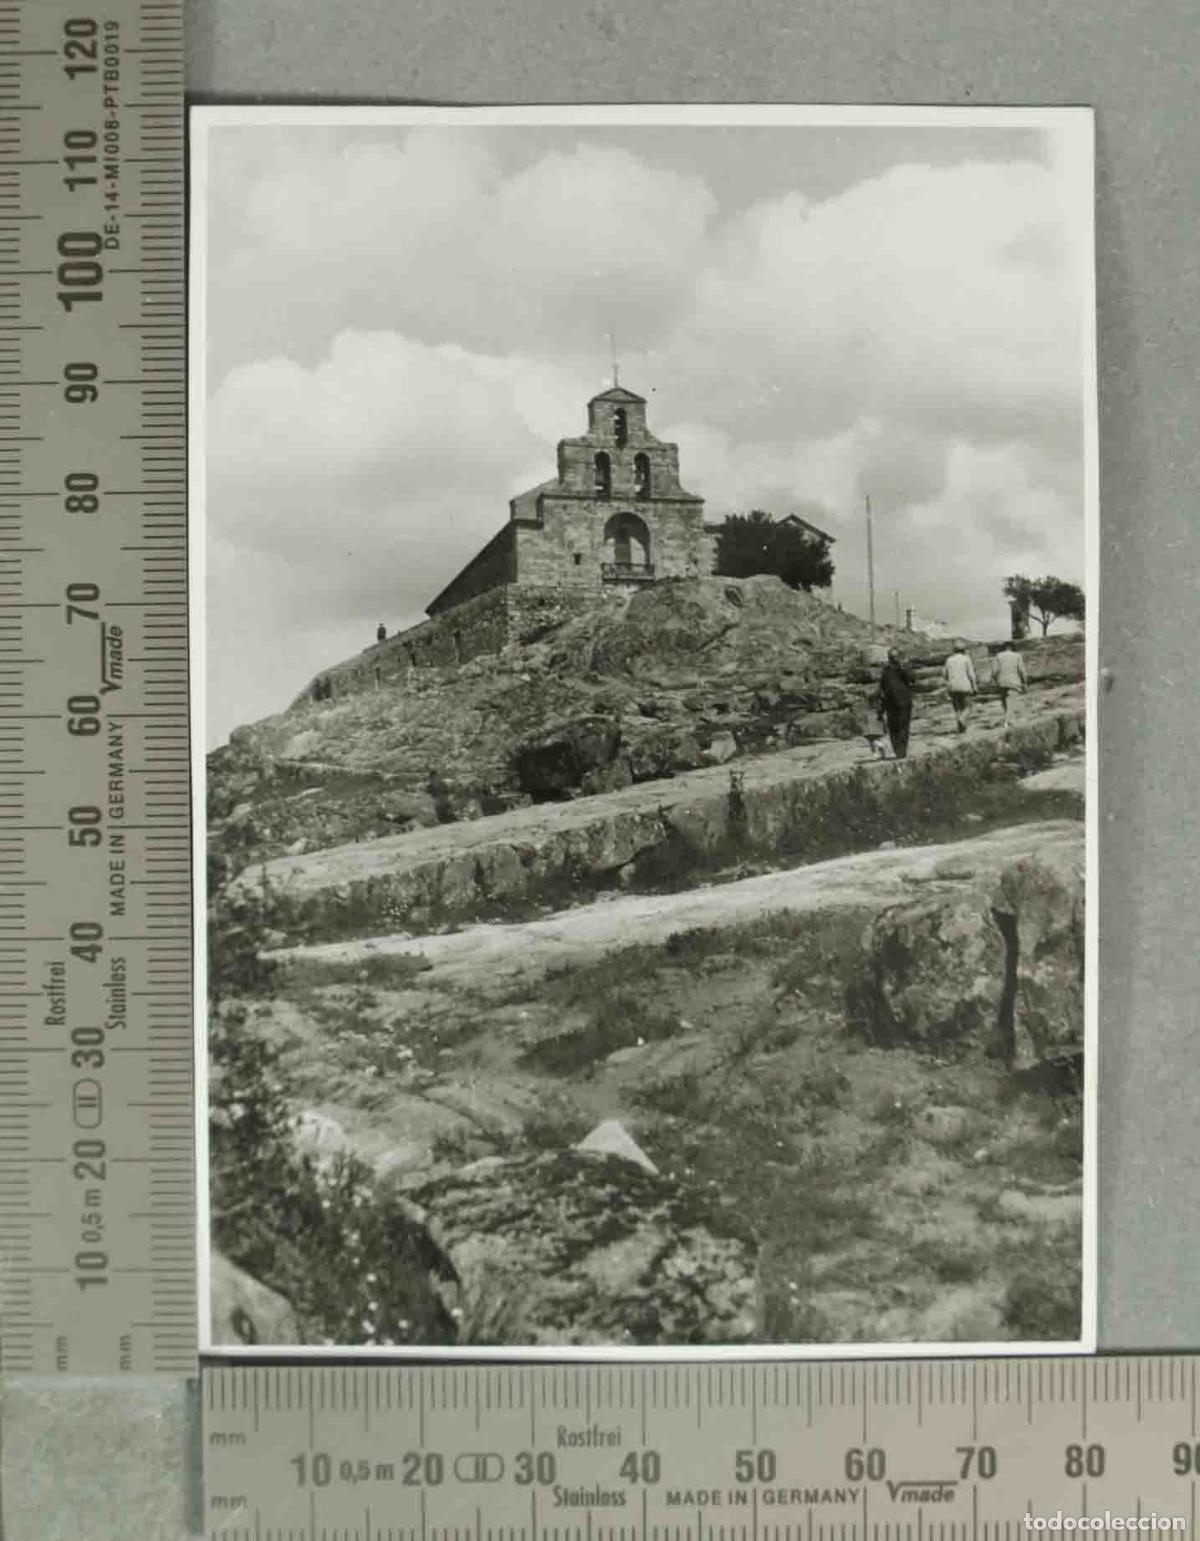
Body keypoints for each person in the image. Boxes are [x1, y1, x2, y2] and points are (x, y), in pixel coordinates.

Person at [876, 647, 917, 760]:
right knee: (904, 726)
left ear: (889, 658)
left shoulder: (886, 671)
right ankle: (902, 751)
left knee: (894, 727)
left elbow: (882, 689)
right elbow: (913, 679)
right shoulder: (902, 668)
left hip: (891, 702)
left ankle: (899, 751)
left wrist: (881, 709)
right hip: (904, 700)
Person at [992, 641, 1028, 728]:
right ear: (1012, 648)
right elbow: (1022, 671)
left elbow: (994, 671)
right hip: (1014, 682)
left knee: (1004, 703)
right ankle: (1008, 722)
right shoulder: (1017, 656)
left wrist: (996, 681)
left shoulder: (998, 656)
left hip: (1001, 683)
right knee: (1011, 703)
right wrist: (1024, 683)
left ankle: (1008, 720)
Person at [943, 646, 978, 733]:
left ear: (954, 651)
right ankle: (962, 720)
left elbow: (944, 675)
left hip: (952, 686)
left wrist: (948, 685)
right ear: (963, 651)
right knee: (969, 706)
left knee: (958, 708)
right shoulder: (966, 659)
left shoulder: (949, 660)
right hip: (964, 685)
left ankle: (961, 729)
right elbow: (971, 674)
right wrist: (974, 686)